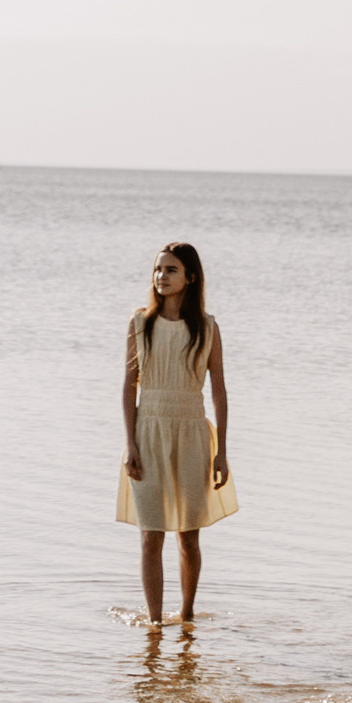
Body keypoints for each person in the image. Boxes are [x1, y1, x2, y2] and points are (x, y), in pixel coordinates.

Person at [120, 239, 235, 624]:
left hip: (191, 434)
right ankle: (154, 625)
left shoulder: (206, 327)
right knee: (151, 534)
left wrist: (221, 452)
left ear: (190, 277)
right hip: (148, 433)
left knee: (188, 535)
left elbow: (218, 389)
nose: (161, 277)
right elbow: (127, 385)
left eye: (170, 270)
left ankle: (185, 619)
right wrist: (129, 443)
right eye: (157, 269)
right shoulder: (140, 324)